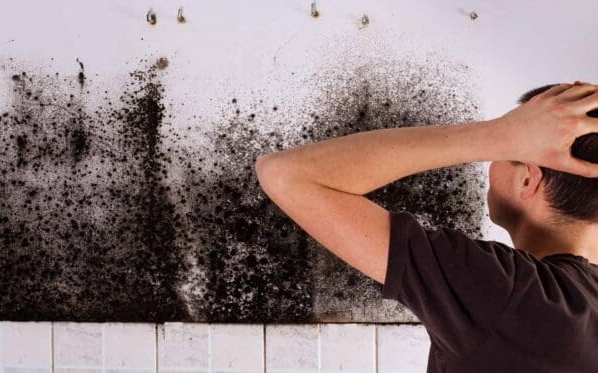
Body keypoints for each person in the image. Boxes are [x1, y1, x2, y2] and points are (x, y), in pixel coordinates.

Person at [255, 81, 598, 372]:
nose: (490, 164)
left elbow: (286, 174)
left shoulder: (509, 293)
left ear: (528, 179)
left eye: (508, 151)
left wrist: (497, 133)